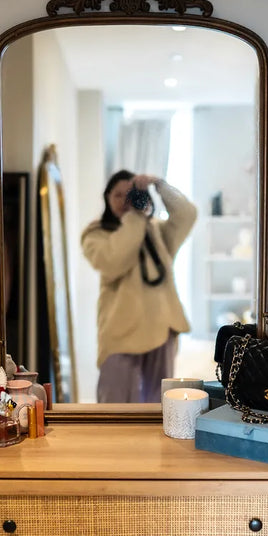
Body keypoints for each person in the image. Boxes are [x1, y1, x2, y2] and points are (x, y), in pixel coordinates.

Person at [81, 170, 197, 403]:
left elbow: (187, 214)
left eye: (130, 194)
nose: (124, 201)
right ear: (106, 197)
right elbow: (113, 261)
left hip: (162, 328)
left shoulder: (155, 229)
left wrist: (160, 186)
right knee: (116, 404)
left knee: (159, 404)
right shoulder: (96, 233)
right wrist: (135, 217)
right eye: (118, 195)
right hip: (121, 333)